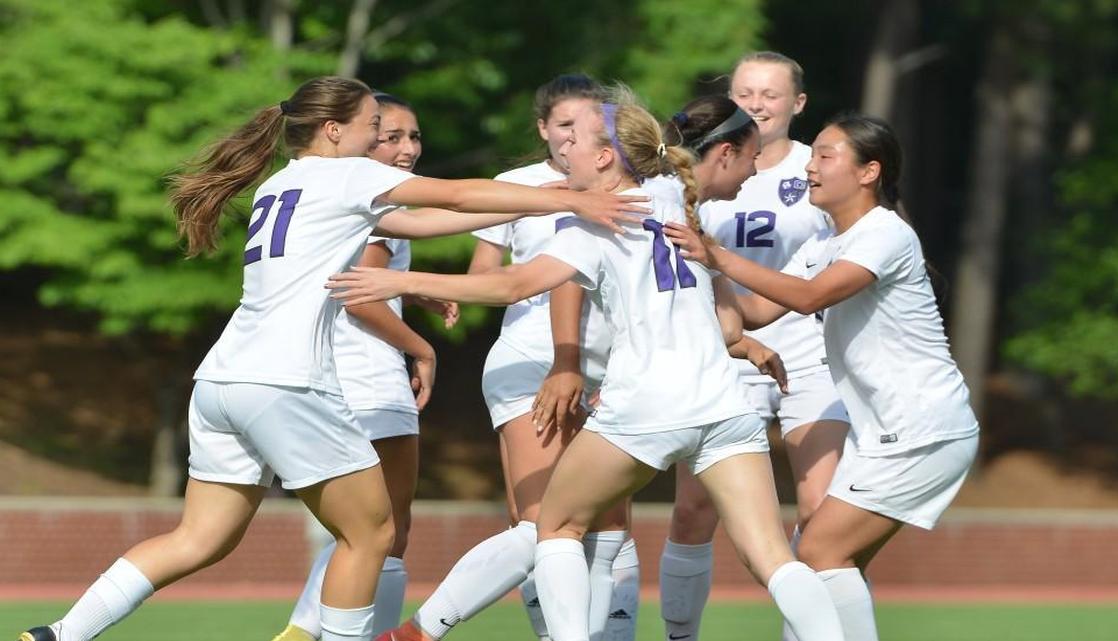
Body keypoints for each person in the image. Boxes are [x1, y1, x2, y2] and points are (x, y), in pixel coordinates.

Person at [16, 76, 647, 641]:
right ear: (334, 129)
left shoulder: (279, 184)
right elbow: (453, 196)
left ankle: (60, 635)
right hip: (286, 383)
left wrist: (534, 209)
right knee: (372, 534)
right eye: (375, 126)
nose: (382, 139)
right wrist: (571, 200)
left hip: (220, 379)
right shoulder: (346, 174)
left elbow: (421, 223)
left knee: (198, 539)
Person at [328, 87, 845, 641]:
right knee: (774, 559)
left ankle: (443, 631)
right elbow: (719, 308)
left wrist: (400, 280)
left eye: (573, 140)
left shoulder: (592, 224)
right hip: (723, 404)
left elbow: (514, 284)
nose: (562, 149)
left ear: (605, 157)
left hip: (645, 406)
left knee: (554, 527)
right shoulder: (671, 192)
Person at [664, 113, 980, 641]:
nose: (809, 166)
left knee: (816, 550)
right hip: (890, 434)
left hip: (921, 430)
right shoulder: (825, 244)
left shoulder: (884, 233)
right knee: (828, 563)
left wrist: (716, 255)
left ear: (868, 172)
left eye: (826, 156)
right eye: (813, 156)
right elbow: (758, 311)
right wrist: (700, 262)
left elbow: (810, 297)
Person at [660, 51, 850, 641]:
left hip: (807, 343)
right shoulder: (690, 174)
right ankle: (679, 635)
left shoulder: (821, 167)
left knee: (819, 510)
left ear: (797, 104)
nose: (757, 104)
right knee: (695, 509)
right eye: (745, 92)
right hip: (719, 346)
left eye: (771, 94)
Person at [273, 92, 459, 641]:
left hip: (329, 375)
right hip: (369, 379)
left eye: (414, 136)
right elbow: (361, 299)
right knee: (384, 532)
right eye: (390, 135)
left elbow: (354, 279)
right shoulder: (366, 195)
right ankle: (308, 635)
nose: (406, 148)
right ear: (356, 136)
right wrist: (420, 348)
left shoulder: (324, 191)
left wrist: (413, 292)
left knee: (364, 532)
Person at [466, 73, 637, 641]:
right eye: (563, 125)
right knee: (538, 524)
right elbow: (491, 277)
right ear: (543, 129)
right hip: (533, 358)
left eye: (589, 126)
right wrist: (445, 290)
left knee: (610, 525)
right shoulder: (517, 186)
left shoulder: (627, 183)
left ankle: (611, 635)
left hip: (607, 367)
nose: (573, 138)